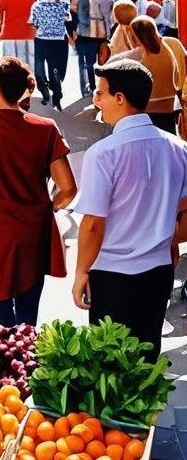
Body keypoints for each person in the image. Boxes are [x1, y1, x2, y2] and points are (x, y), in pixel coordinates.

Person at [74, 59, 187, 357]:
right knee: (146, 361)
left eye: (101, 94)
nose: (96, 101)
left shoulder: (102, 153)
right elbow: (183, 209)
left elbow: (92, 223)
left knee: (109, 367)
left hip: (112, 275)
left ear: (120, 99)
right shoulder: (177, 146)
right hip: (158, 272)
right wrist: (171, 239)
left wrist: (81, 272)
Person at [0, 58, 77, 326]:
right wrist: (49, 206)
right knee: (28, 321)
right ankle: (28, 365)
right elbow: (68, 188)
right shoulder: (46, 128)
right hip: (34, 232)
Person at [113, 16, 183, 134]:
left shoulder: (144, 55)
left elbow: (117, 61)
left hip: (150, 115)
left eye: (132, 35)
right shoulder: (168, 45)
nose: (131, 38)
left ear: (139, 35)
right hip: (169, 112)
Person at [69, 0, 113, 98]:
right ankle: (89, 90)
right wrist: (71, 36)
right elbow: (74, 18)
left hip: (100, 36)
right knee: (86, 65)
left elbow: (109, 17)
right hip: (84, 36)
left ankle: (99, 89)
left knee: (100, 63)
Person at [29, 0, 71, 110]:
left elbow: (32, 22)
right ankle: (57, 95)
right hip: (59, 41)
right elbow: (68, 20)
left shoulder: (37, 5)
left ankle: (45, 92)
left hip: (42, 40)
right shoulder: (64, 5)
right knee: (56, 68)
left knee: (39, 67)